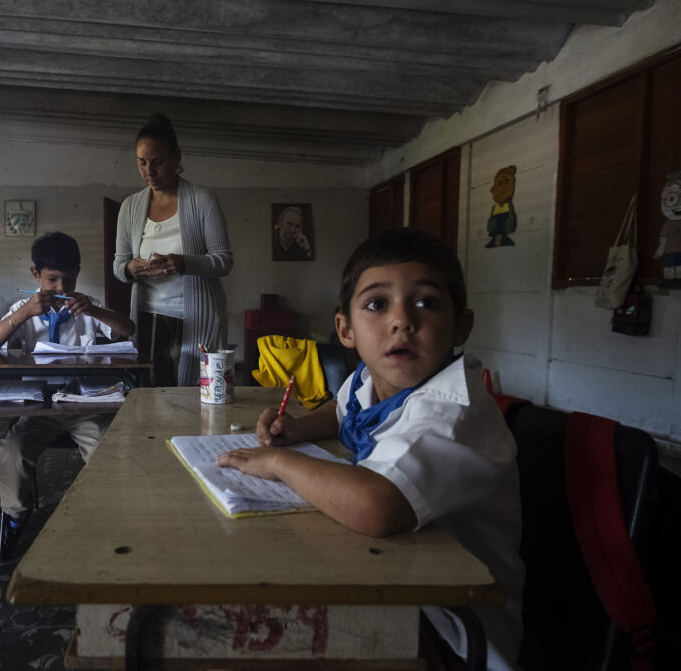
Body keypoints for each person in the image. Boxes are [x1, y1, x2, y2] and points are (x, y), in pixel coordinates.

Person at [217, 228, 523, 670]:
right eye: (377, 304)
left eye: (426, 302)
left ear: (461, 325)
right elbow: (342, 412)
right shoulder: (368, 377)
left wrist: (281, 461)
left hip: (452, 628)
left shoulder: (453, 412)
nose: (402, 320)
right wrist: (299, 428)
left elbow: (378, 506)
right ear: (345, 329)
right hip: (392, 574)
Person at [0, 232, 135, 561]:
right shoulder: (21, 310)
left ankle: (103, 516)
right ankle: (13, 516)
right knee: (13, 451)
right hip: (39, 406)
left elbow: (127, 329)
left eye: (69, 279)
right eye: (52, 279)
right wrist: (23, 313)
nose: (61, 288)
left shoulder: (85, 306)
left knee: (107, 450)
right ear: (35, 274)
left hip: (86, 405)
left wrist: (94, 311)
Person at [113, 113, 232, 386]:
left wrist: (183, 263)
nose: (149, 172)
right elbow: (119, 266)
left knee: (192, 396)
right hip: (147, 316)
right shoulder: (130, 207)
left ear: (176, 157)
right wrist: (131, 268)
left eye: (158, 162)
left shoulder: (202, 200)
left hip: (194, 317)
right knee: (150, 393)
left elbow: (224, 261)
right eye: (141, 163)